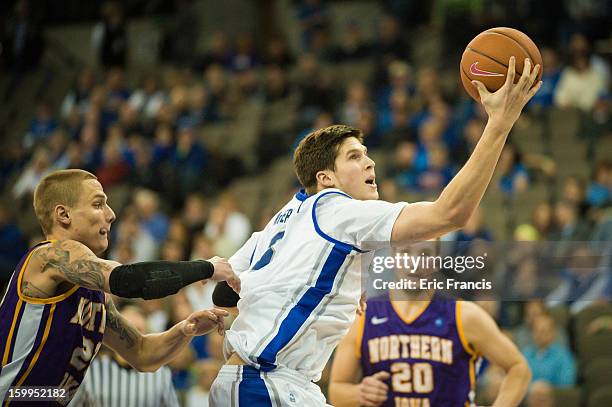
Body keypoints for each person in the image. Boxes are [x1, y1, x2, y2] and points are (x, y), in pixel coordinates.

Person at [209, 57, 541, 405]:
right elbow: (451, 213)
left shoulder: (286, 218)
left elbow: (224, 296)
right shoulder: (338, 209)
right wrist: (500, 124)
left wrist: (334, 287)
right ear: (327, 180)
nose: (369, 162)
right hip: (265, 383)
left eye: (366, 154)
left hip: (264, 381)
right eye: (354, 157)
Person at [0, 169, 239, 405]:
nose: (111, 214)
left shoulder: (94, 296)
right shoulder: (48, 256)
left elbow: (143, 354)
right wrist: (206, 267)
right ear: (63, 214)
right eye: (98, 204)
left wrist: (185, 330)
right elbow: (130, 280)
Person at [328, 242, 531, 407]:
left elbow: (518, 368)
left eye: (424, 254)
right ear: (393, 256)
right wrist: (359, 393)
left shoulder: (464, 315)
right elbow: (336, 391)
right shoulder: (364, 315)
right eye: (406, 252)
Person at [70, 305, 180, 407]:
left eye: (138, 331)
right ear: (113, 335)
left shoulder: (161, 375)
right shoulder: (91, 371)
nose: (132, 338)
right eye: (126, 330)